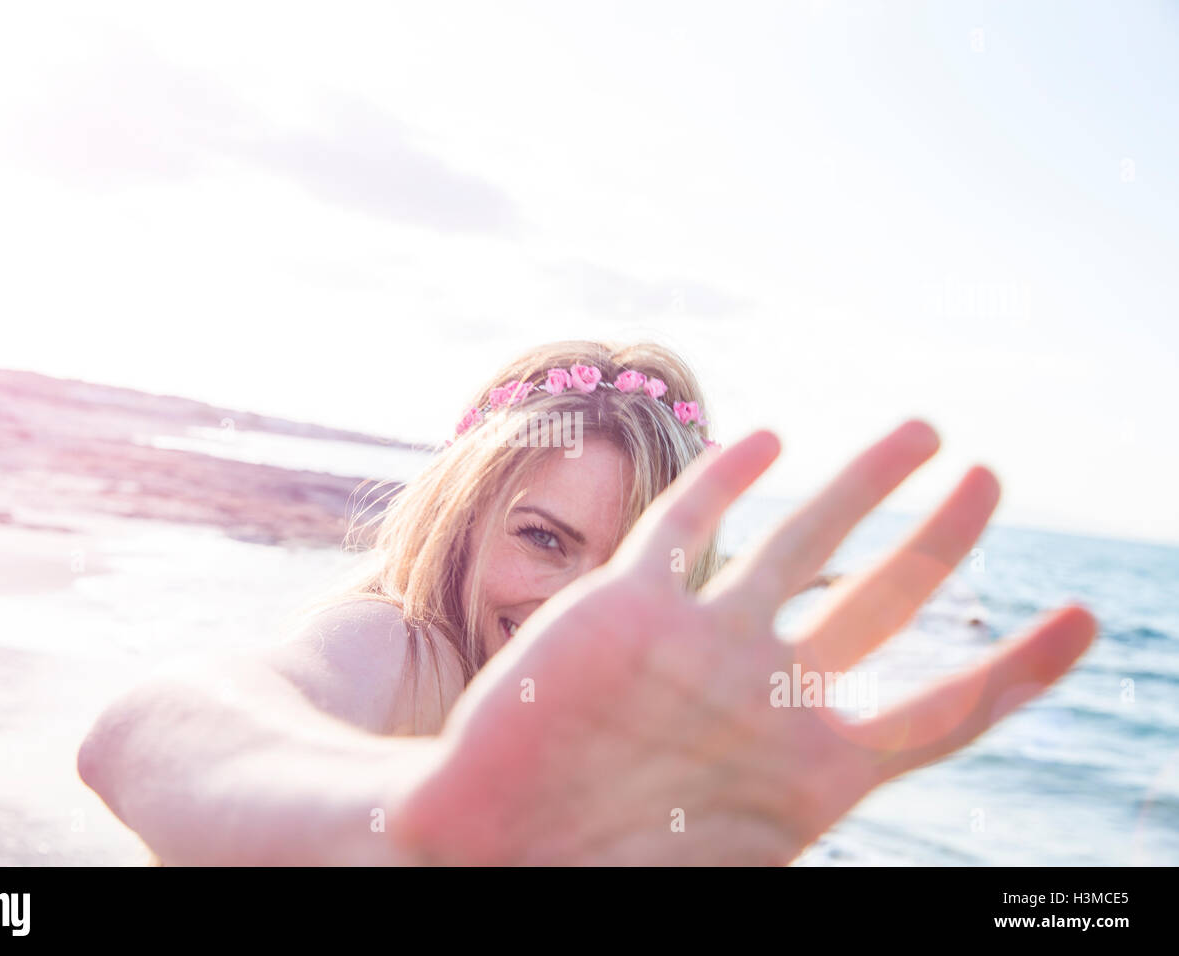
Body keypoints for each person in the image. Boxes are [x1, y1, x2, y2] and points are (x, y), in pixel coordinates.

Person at [76, 340, 1097, 865]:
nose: (572, 606)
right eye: (542, 538)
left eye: (616, 574)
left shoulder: (653, 781)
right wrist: (427, 823)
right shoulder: (397, 647)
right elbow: (141, 730)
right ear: (466, 521)